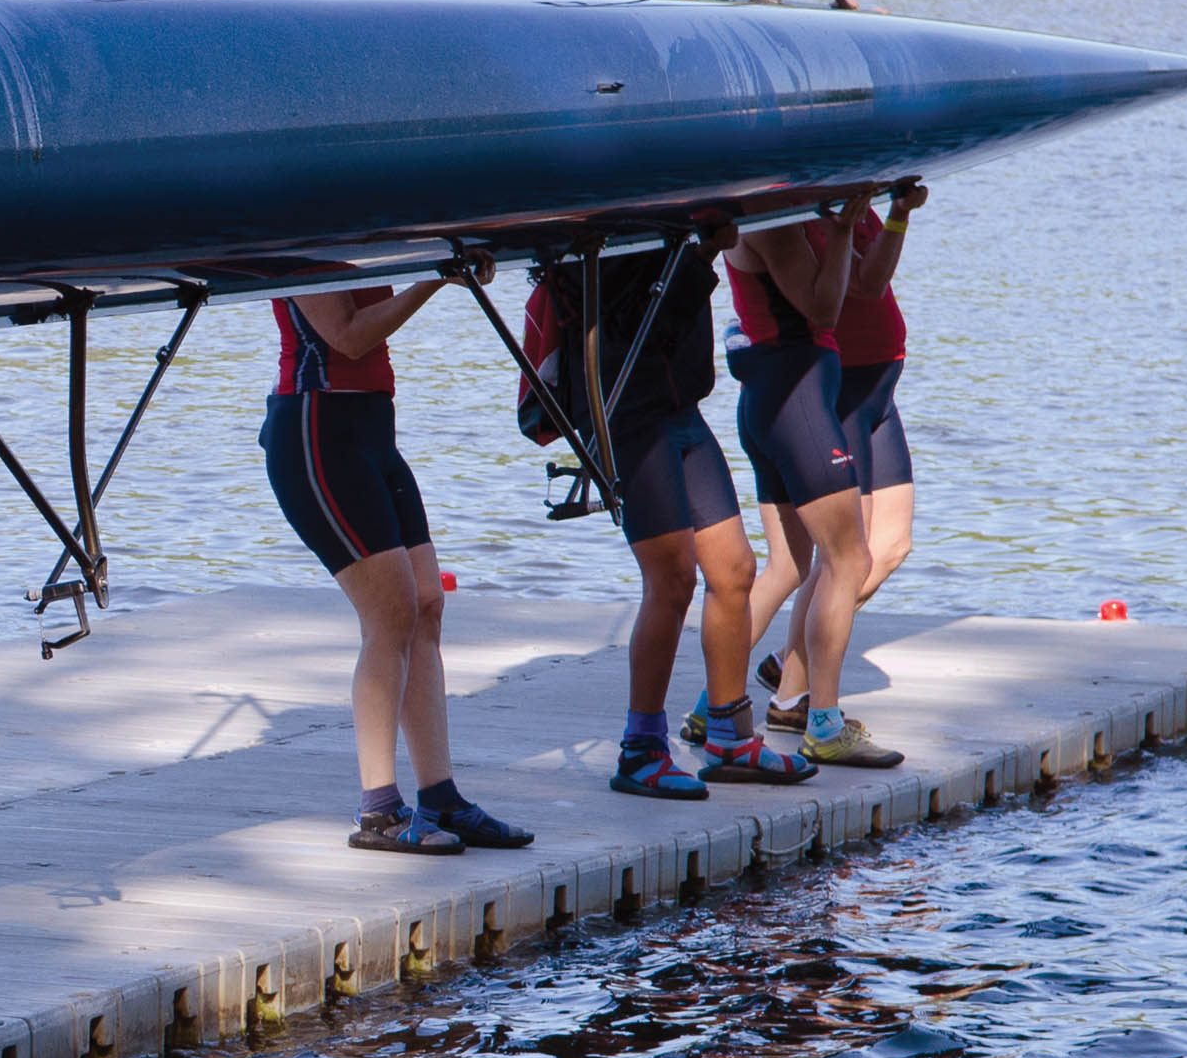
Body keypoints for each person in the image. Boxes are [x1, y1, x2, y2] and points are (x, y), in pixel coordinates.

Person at [522, 231, 820, 801]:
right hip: (629, 410)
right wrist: (704, 246)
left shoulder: (671, 214)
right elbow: (632, 306)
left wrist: (705, 236)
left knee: (735, 570)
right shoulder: (614, 223)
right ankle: (640, 751)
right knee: (673, 578)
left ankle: (731, 739)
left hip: (681, 408)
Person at [263, 274, 533, 854]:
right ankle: (379, 810)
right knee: (390, 616)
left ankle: (441, 798)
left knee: (427, 604)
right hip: (316, 430)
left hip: (372, 430)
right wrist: (437, 279)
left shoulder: (363, 223)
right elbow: (349, 336)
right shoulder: (307, 229)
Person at [723, 181, 925, 737]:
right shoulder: (793, 210)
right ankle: (783, 691)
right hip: (839, 387)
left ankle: (791, 668)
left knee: (890, 546)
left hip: (881, 382)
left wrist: (897, 216)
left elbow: (872, 279)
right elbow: (826, 303)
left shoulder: (843, 200)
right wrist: (838, 228)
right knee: (832, 558)